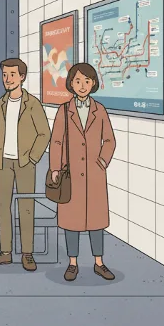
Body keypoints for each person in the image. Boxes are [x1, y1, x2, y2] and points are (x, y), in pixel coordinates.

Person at [49, 63, 117, 282]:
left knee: (96, 222)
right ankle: (73, 263)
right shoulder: (64, 110)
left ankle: (99, 262)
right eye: (77, 81)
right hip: (71, 175)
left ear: (94, 83)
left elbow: (109, 140)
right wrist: (55, 168)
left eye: (87, 81)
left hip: (95, 174)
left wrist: (102, 162)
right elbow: (56, 141)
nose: (82, 85)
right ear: (71, 83)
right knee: (72, 221)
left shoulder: (100, 110)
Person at [0, 57, 51, 272]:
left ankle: (27, 253)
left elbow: (44, 133)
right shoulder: (1, 102)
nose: (7, 79)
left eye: (12, 75)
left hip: (24, 163)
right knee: (2, 206)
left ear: (22, 77)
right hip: (3, 162)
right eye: (4, 75)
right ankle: (5, 252)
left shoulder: (32, 104)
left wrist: (33, 157)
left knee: (26, 207)